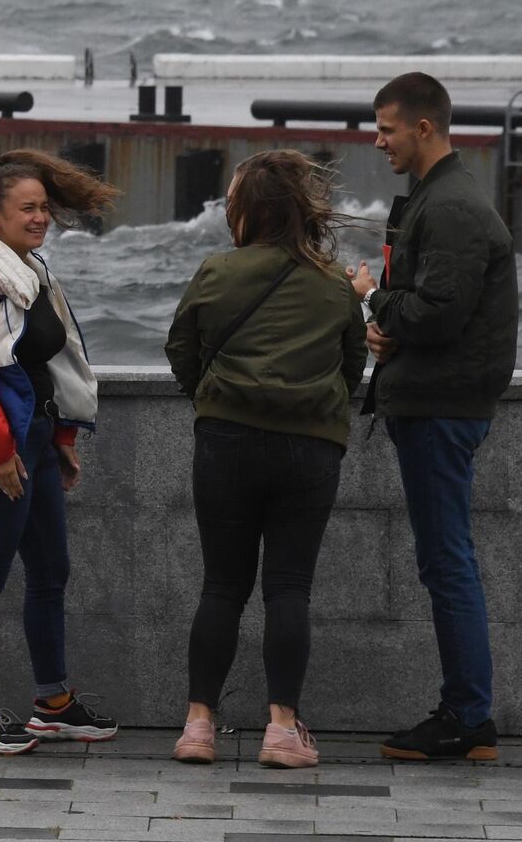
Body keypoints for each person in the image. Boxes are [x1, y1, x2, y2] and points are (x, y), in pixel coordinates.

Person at [164, 150, 367, 769]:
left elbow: (181, 349)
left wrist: (213, 400)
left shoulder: (216, 272)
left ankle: (199, 726)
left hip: (225, 443)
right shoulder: (335, 283)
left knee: (222, 586)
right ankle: (281, 729)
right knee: (288, 589)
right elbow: (351, 367)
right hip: (309, 449)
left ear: (247, 211)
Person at [350, 71, 517, 762]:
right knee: (446, 560)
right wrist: (393, 324)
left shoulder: (448, 206)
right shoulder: (439, 198)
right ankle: (464, 712)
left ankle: (467, 718)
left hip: (440, 410)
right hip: (438, 400)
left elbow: (439, 311)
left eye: (387, 128)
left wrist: (372, 299)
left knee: (447, 564)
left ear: (424, 128)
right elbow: (435, 306)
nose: (378, 140)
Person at [0, 149, 122, 754]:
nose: (40, 217)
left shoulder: (30, 271)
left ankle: (53, 702)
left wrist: (61, 440)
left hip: (35, 444)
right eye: (27, 208)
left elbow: (46, 366)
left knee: (50, 571)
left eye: (43, 207)